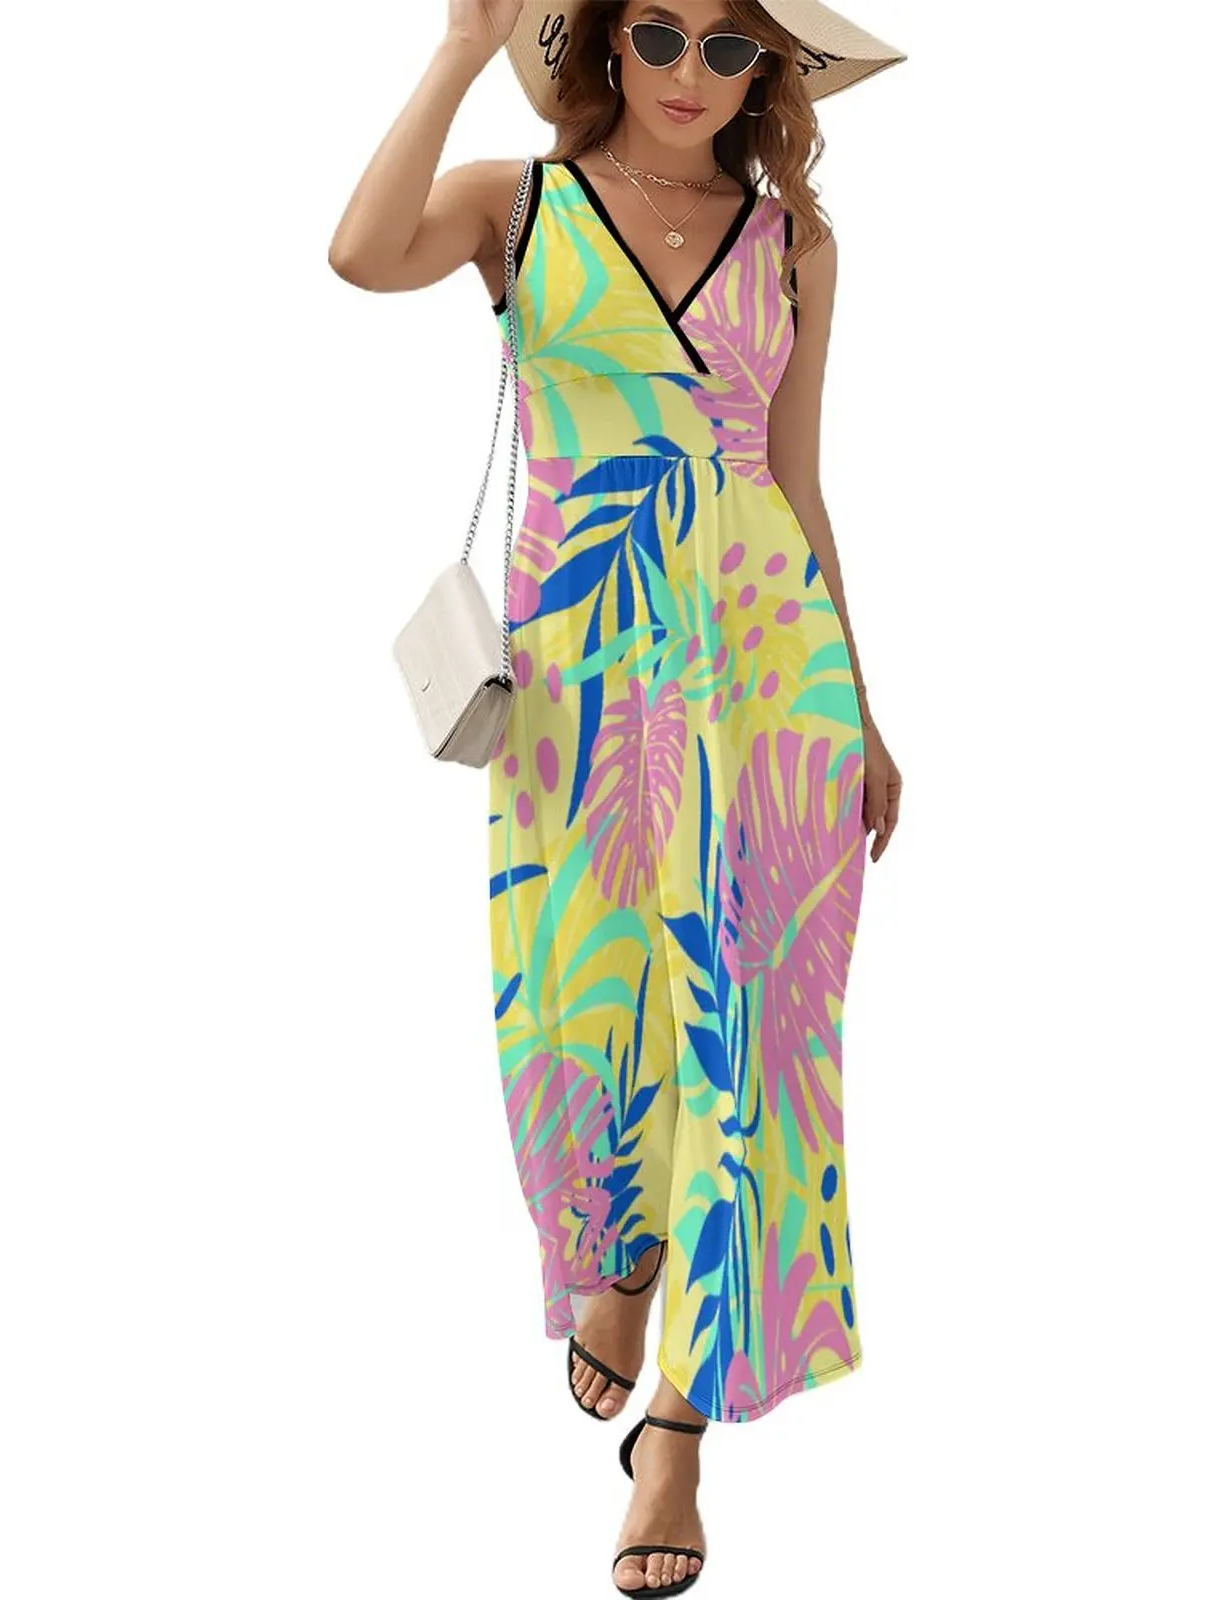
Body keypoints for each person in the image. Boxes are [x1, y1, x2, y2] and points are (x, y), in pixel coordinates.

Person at [330, 2, 905, 1590]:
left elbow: (797, 480)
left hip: (768, 680)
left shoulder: (796, 245)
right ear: (601, 41)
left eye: (731, 48)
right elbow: (360, 254)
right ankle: (615, 1249)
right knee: (585, 1002)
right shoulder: (517, 205)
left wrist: (861, 709)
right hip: (583, 682)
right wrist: (458, 53)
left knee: (751, 1037)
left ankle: (679, 1430)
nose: (691, 73)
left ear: (768, 70)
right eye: (659, 32)